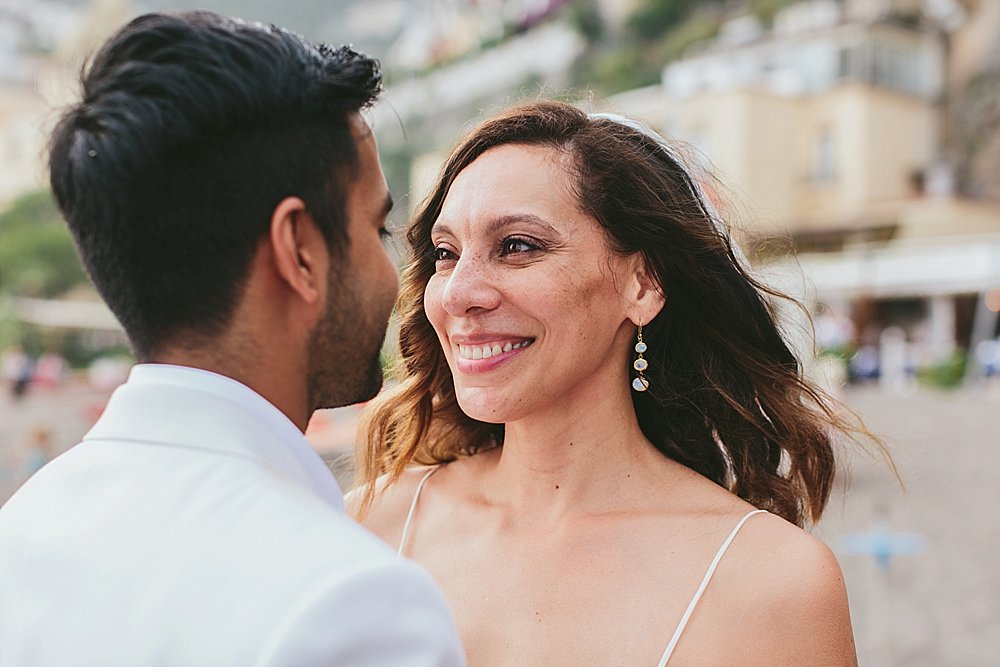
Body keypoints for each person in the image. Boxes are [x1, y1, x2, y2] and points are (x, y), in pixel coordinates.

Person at [0, 12, 463, 667]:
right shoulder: (351, 604)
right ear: (299, 250)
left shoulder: (22, 532)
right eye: (378, 229)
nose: (396, 273)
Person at [352, 101, 865, 666]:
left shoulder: (771, 582)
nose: (457, 294)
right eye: (446, 254)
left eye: (519, 246)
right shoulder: (369, 524)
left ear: (643, 283)